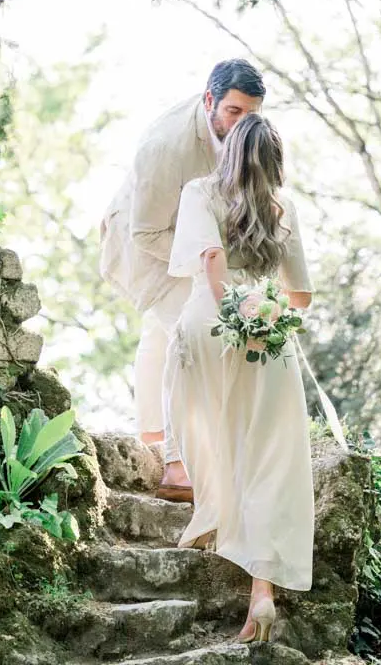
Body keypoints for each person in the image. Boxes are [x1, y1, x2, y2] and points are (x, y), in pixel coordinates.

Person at [163, 113, 317, 642]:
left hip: (213, 323)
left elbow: (209, 259)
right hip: (268, 338)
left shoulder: (201, 191)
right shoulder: (282, 206)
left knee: (201, 416)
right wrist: (262, 315)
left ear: (227, 150)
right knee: (270, 457)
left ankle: (212, 514)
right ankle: (262, 591)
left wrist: (232, 311)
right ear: (277, 161)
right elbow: (300, 297)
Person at [99, 60, 265, 502]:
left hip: (191, 241)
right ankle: (177, 466)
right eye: (233, 112)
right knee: (189, 335)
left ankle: (152, 436)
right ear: (209, 100)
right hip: (147, 243)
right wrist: (212, 259)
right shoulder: (166, 146)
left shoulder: (244, 129)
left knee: (160, 335)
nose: (242, 123)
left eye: (250, 113)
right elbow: (147, 232)